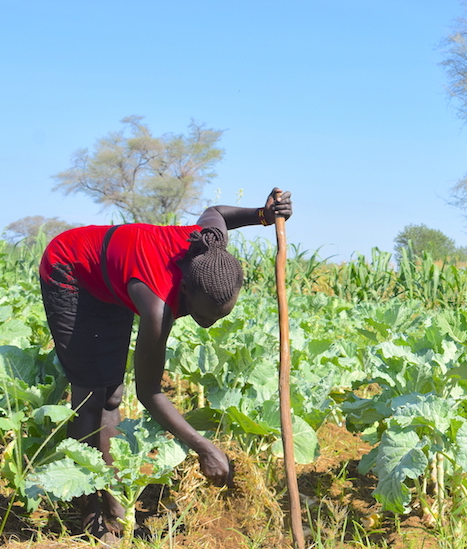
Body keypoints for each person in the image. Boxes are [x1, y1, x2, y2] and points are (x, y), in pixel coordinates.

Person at [39, 188, 292, 539]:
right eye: (202, 315)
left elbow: (216, 210)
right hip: (71, 269)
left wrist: (262, 215)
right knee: (89, 397)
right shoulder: (157, 305)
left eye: (219, 317)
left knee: (112, 396)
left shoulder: (210, 244)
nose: (208, 324)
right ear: (184, 289)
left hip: (114, 276)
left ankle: (117, 513)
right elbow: (150, 392)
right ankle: (89, 516)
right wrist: (204, 447)